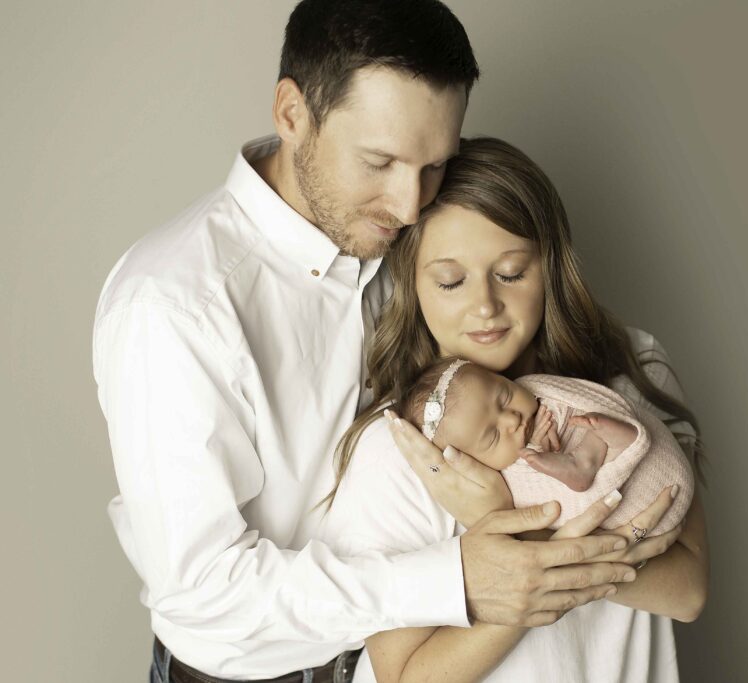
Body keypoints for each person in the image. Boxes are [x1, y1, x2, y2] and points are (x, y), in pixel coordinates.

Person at [92, 3, 636, 681]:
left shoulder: (411, 247)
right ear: (292, 114)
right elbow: (207, 590)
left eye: (434, 165)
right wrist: (452, 578)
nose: (409, 204)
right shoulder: (173, 304)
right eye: (379, 161)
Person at [318, 136, 710, 682]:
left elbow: (687, 591)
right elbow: (404, 675)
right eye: (451, 281)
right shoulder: (405, 447)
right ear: (412, 284)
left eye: (510, 273)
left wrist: (513, 529)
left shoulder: (631, 371)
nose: (485, 306)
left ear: (549, 266)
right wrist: (527, 548)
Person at [399, 357, 694, 534]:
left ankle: (602, 449)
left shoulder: (537, 391)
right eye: (492, 436)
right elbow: (538, 490)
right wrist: (538, 449)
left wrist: (543, 437)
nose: (512, 419)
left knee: (592, 421)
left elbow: (574, 401)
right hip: (623, 503)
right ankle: (593, 458)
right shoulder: (504, 479)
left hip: (659, 463)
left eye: (504, 397)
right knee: (583, 446)